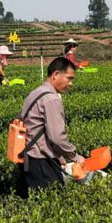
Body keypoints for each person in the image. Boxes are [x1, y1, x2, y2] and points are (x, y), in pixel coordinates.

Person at [16, 56, 85, 198]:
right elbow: (57, 137)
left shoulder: (36, 92)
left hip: (28, 158)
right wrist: (75, 156)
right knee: (50, 205)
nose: (71, 83)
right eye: (69, 78)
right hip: (41, 161)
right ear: (56, 75)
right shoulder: (52, 99)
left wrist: (59, 157)